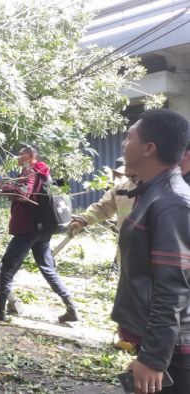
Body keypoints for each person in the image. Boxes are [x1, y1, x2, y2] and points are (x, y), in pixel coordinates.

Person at [112, 109, 190, 394]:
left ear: (149, 148)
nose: (124, 143)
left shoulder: (171, 202)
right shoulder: (150, 193)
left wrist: (155, 359)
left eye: (130, 136)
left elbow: (172, 288)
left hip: (175, 347)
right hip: (158, 337)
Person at [0, 146, 79, 323]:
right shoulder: (43, 172)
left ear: (30, 156)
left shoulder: (31, 171)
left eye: (21, 153)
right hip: (43, 229)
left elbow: (23, 193)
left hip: (28, 229)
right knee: (48, 268)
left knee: (7, 266)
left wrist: (3, 187)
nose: (18, 156)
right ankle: (71, 307)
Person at [68, 158, 138, 267]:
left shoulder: (160, 187)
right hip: (125, 253)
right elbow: (103, 208)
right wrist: (83, 220)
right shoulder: (121, 189)